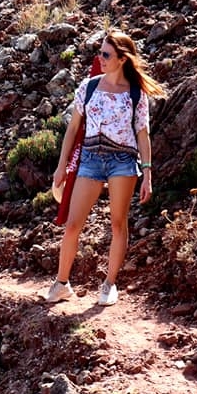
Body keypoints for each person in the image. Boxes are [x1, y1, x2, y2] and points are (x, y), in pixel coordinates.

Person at [43, 29, 163, 306]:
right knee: (73, 224)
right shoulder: (88, 87)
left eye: (106, 54)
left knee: (118, 224)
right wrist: (61, 167)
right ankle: (61, 283)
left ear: (122, 59)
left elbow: (143, 134)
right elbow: (73, 129)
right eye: (100, 52)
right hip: (90, 159)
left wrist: (147, 172)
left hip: (123, 161)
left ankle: (109, 285)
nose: (100, 58)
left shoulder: (136, 94)